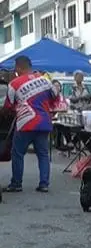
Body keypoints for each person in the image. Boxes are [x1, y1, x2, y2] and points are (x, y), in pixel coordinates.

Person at [3, 56, 57, 193]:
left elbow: (8, 106)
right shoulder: (45, 80)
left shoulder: (14, 84)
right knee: (43, 154)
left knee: (17, 153)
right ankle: (44, 184)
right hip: (44, 122)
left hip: (25, 123)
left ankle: (16, 183)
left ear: (18, 67)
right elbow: (55, 96)